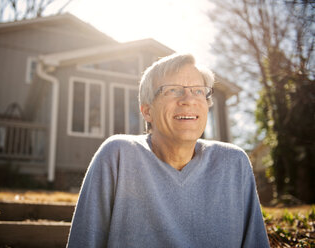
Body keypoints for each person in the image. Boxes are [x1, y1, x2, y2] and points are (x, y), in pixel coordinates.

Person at [66, 53, 270, 247]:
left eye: (198, 91)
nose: (188, 99)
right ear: (147, 111)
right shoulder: (118, 155)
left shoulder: (234, 163)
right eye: (173, 90)